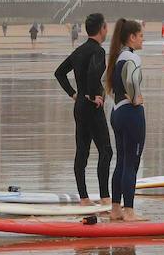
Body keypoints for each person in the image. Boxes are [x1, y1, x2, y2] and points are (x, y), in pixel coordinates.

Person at [55, 13, 112, 207]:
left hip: (79, 106)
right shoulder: (98, 51)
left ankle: (84, 198)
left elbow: (59, 73)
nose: (107, 30)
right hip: (92, 107)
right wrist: (91, 95)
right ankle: (105, 197)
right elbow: (92, 74)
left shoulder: (79, 51)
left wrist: (74, 94)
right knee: (106, 151)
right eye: (106, 27)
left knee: (82, 152)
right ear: (101, 29)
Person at [106, 19, 146, 222]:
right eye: (140, 36)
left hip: (116, 112)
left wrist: (123, 97)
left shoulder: (117, 56)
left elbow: (108, 84)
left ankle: (115, 209)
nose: (142, 39)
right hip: (131, 114)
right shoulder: (132, 56)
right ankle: (129, 211)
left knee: (121, 162)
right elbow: (131, 80)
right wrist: (136, 96)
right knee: (132, 162)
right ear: (131, 37)